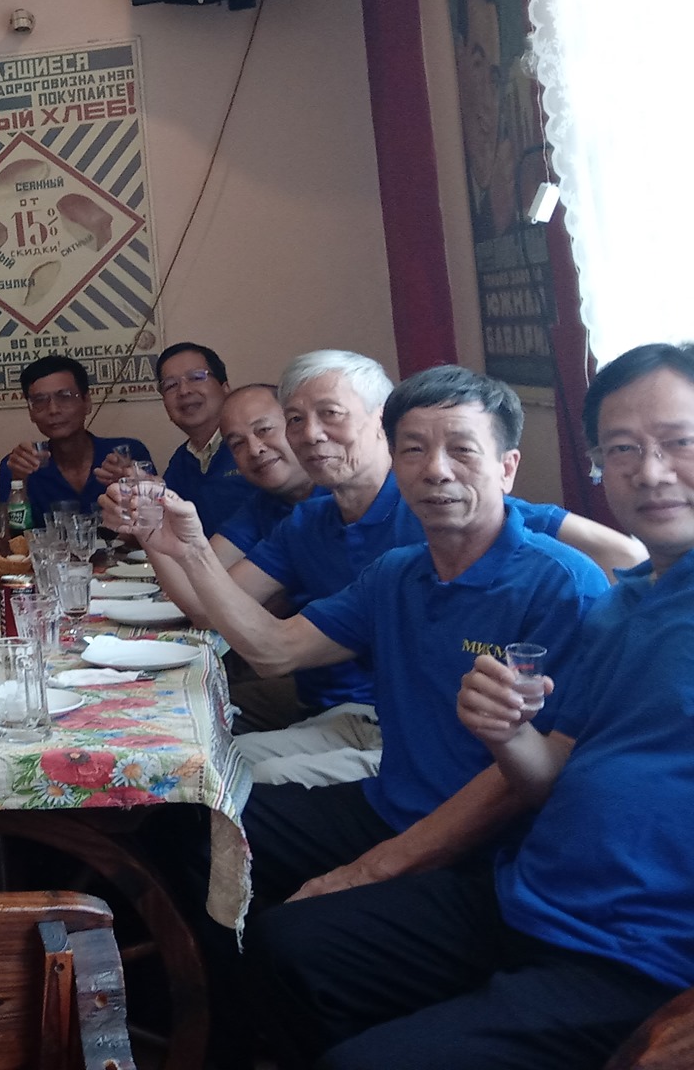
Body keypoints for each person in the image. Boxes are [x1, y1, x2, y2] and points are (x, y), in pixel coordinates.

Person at [252, 343, 694, 1070]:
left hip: (639, 954)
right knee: (287, 942)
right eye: (622, 448)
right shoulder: (625, 605)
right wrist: (508, 734)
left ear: (507, 467)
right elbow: (549, 772)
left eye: (678, 442)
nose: (650, 471)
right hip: (529, 896)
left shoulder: (565, 582)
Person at [145, 366, 607, 915]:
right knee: (188, 822)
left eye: (461, 450)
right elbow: (275, 650)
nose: (436, 470)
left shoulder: (562, 584)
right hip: (389, 800)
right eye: (413, 450)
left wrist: (371, 869)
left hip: (490, 846)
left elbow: (530, 780)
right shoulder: (395, 571)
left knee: (292, 937)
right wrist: (191, 551)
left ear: (506, 468)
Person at [119, 349, 638, 786]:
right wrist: (173, 544)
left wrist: (626, 642)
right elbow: (254, 635)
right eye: (295, 419)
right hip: (352, 713)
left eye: (330, 414)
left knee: (221, 781)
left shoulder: (446, 503)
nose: (310, 435)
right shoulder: (319, 524)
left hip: (436, 739)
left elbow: (623, 556)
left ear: (382, 420)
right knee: (191, 771)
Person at [0, 354, 150, 517]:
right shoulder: (20, 465)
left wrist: (131, 482)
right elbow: (4, 533)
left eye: (65, 397)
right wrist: (19, 481)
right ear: (31, 412)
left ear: (87, 402)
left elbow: (154, 520)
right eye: (40, 401)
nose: (53, 410)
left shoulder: (126, 453)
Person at [209, 381, 315, 559]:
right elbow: (207, 567)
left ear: (297, 423)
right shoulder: (263, 505)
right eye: (238, 443)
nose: (254, 449)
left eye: (264, 430)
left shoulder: (344, 498)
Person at [155, 342, 250, 537]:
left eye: (196, 377)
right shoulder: (182, 460)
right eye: (171, 385)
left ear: (225, 388)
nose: (184, 391)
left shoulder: (252, 447)